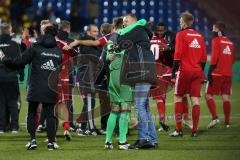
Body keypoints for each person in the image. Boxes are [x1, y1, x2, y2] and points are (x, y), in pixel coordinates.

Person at [0, 25, 62, 150]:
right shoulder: (58, 51)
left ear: (43, 33)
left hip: (36, 85)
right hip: (51, 86)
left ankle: (33, 140)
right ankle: (51, 142)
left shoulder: (35, 47)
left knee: (32, 112)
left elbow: (19, 62)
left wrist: (4, 58)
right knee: (50, 114)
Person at [118, 14, 158, 149]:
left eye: (126, 21)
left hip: (142, 71)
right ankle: (152, 139)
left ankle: (143, 138)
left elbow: (120, 41)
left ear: (134, 21)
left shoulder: (137, 30)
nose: (124, 24)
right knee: (144, 106)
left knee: (139, 105)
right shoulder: (140, 30)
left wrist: (117, 34)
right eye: (123, 22)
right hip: (145, 70)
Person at [169, 11, 207, 137]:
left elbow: (177, 54)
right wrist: (199, 71)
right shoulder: (200, 36)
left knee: (178, 97)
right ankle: (194, 130)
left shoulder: (180, 35)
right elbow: (204, 58)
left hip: (184, 71)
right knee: (195, 100)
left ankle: (178, 130)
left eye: (180, 21)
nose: (179, 23)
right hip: (197, 71)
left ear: (184, 22)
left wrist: (173, 72)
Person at [150, 22, 192, 132]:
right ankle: (167, 121)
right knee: (176, 94)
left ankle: (185, 117)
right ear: (154, 30)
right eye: (158, 31)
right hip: (167, 70)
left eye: (162, 31)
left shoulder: (169, 37)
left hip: (168, 70)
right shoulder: (162, 41)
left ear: (166, 30)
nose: (160, 32)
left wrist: (168, 47)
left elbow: (176, 48)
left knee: (177, 94)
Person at [103, 17, 133, 150]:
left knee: (114, 110)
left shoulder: (110, 40)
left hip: (113, 75)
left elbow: (106, 57)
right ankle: (122, 141)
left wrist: (109, 57)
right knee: (125, 110)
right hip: (123, 75)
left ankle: (108, 141)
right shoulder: (126, 36)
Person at [205, 21, 235, 129]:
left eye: (213, 29)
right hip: (228, 74)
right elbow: (232, 60)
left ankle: (214, 118)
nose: (212, 31)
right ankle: (227, 122)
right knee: (226, 97)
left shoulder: (216, 40)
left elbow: (214, 58)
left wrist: (209, 73)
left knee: (208, 95)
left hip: (217, 73)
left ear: (218, 30)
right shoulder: (231, 43)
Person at [75, 24, 102, 136]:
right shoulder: (86, 44)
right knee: (90, 101)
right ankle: (91, 128)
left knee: (89, 101)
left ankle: (82, 126)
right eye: (94, 31)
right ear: (89, 32)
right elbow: (97, 56)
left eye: (97, 31)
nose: (97, 33)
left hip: (90, 75)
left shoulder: (89, 43)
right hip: (86, 76)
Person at [0, 23, 22, 133]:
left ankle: (1, 127)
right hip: (11, 77)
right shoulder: (14, 45)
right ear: (9, 31)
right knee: (13, 102)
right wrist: (22, 75)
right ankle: (14, 127)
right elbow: (19, 62)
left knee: (1, 103)